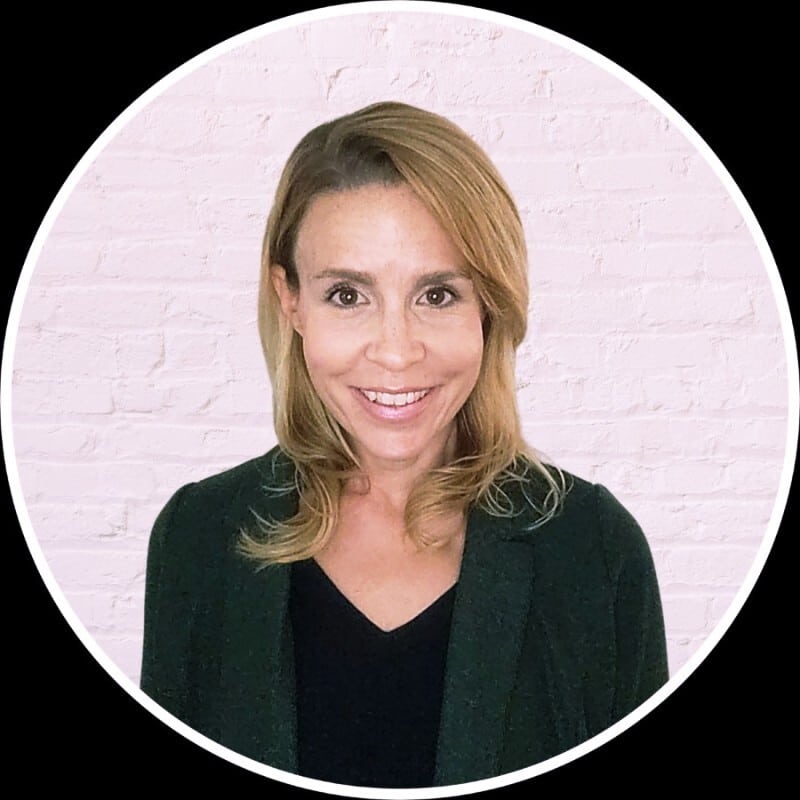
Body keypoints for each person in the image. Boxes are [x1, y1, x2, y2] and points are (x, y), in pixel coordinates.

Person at [141, 101, 668, 789]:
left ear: (490, 306)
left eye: (438, 295)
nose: (396, 352)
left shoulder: (593, 548)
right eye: (347, 295)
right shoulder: (199, 536)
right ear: (290, 300)